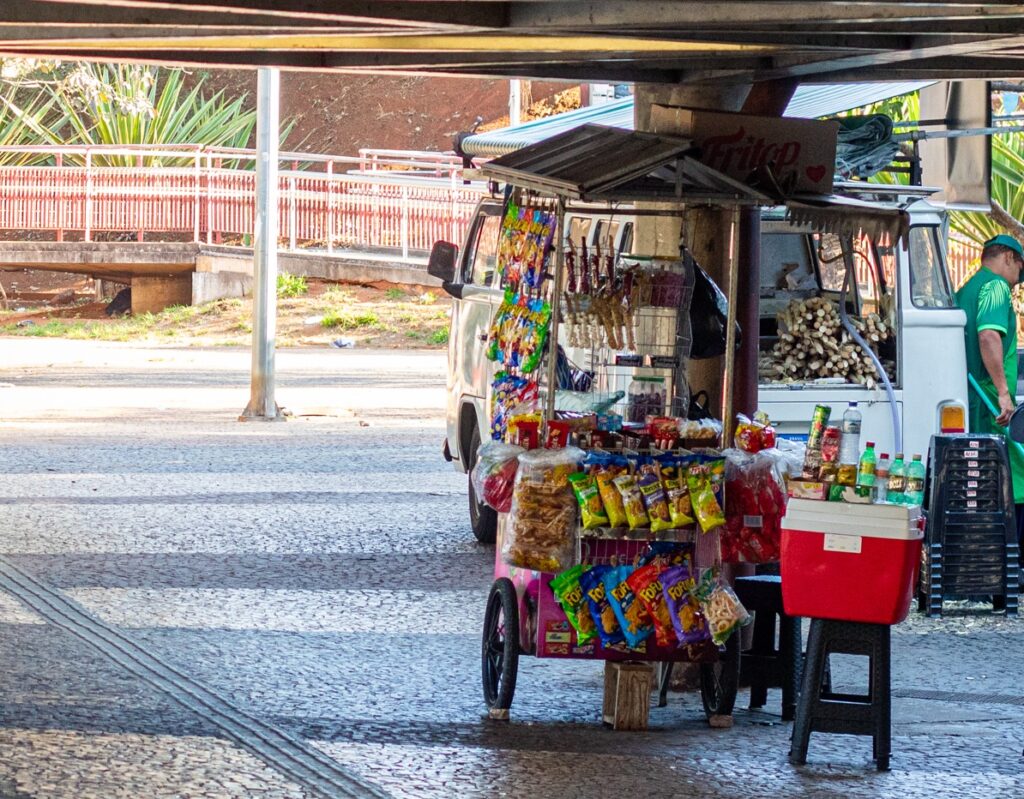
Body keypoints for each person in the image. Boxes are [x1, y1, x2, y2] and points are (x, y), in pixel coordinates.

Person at [956, 233, 1024, 546]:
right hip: (992, 405)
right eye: (1020, 271)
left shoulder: (967, 289)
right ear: (1009, 257)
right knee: (1015, 479)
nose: (1018, 281)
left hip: (975, 401)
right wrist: (1003, 393)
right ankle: (1014, 556)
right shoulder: (996, 286)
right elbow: (988, 336)